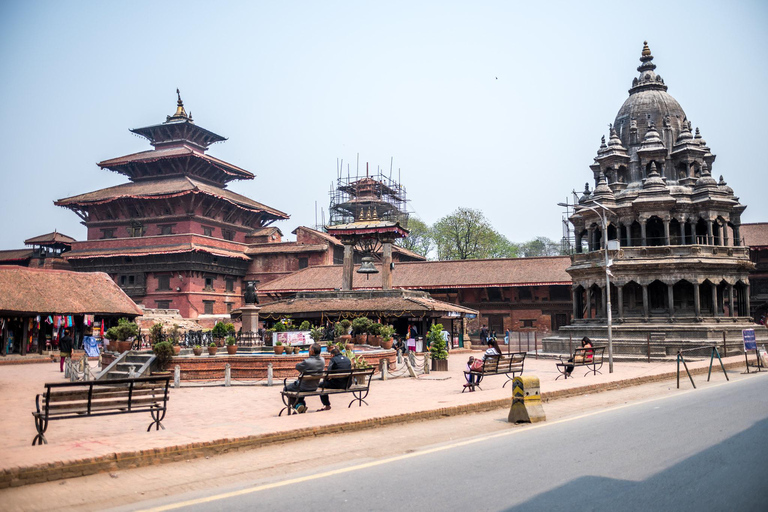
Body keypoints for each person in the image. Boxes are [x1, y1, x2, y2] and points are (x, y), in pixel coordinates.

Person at [283, 343, 324, 413]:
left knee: (286, 388)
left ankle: (298, 405)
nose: (308, 350)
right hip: (314, 386)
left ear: (312, 351)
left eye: (309, 349)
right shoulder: (322, 360)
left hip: (303, 387)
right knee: (298, 387)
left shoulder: (307, 362)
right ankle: (300, 405)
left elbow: (297, 366)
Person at [316, 346, 351, 411]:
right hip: (347, 384)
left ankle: (327, 405)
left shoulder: (333, 360)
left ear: (332, 355)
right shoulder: (347, 359)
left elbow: (329, 373)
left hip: (338, 385)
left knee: (321, 385)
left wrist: (326, 379)